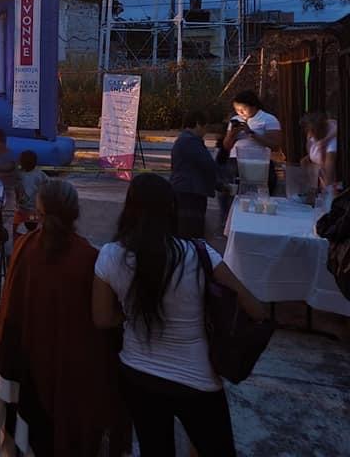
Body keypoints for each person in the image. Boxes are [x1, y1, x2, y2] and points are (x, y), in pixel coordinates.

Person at [92, 173, 267, 456]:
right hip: (196, 379)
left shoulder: (111, 256)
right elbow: (255, 309)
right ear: (171, 208)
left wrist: (127, 315)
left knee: (155, 449)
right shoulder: (199, 254)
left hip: (137, 374)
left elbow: (101, 318)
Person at [0, 180, 122, 457]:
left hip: (26, 363)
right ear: (75, 212)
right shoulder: (90, 258)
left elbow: (10, 311)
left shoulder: (25, 249)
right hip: (71, 371)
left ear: (38, 212)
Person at [170, 111, 217, 239]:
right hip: (190, 191)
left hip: (185, 189)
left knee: (185, 230)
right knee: (191, 232)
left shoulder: (184, 140)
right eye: (205, 127)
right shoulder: (190, 141)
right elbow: (208, 164)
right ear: (197, 124)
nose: (206, 131)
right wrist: (220, 182)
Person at [223, 90, 282, 192]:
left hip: (258, 160)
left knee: (258, 191)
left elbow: (275, 145)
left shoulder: (268, 119)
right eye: (237, 110)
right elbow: (226, 146)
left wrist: (251, 133)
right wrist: (232, 134)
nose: (240, 113)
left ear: (253, 106)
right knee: (232, 188)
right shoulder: (236, 119)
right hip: (235, 159)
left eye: (243, 109)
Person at [15, 150, 48, 236]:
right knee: (32, 227)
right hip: (32, 209)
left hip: (25, 209)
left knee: (19, 227)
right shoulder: (40, 174)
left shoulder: (19, 175)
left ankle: (20, 242)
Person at [301, 111, 338, 188]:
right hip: (318, 180)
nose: (309, 134)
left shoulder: (332, 145)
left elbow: (329, 176)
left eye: (312, 131)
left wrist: (328, 191)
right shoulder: (311, 136)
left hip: (331, 185)